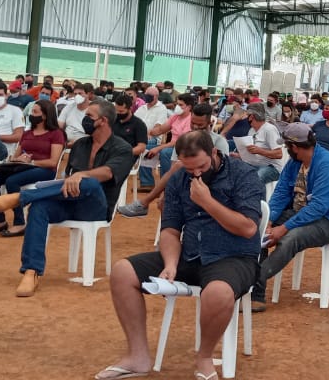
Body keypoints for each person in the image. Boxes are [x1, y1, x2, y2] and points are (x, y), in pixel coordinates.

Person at [98, 130, 264, 380]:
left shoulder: (244, 175)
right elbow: (170, 229)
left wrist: (207, 202)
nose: (196, 173)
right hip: (190, 254)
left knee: (218, 292)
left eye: (201, 166)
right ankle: (138, 356)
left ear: (214, 153)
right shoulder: (178, 179)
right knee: (122, 272)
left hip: (234, 255)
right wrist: (171, 264)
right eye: (189, 169)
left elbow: (248, 228)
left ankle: (204, 357)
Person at [0, 99, 137, 297]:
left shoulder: (122, 148)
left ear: (103, 121)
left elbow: (108, 173)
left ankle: (22, 196)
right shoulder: (80, 145)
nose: (84, 120)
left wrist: (81, 176)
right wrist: (73, 179)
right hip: (69, 200)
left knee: (89, 181)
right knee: (39, 207)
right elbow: (67, 179)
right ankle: (31, 272)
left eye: (89, 117)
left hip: (96, 208)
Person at [252, 122, 329, 311]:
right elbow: (281, 193)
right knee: (257, 227)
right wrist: (269, 219)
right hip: (300, 212)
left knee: (290, 238)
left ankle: (253, 280)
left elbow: (319, 207)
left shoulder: (328, 163)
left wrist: (283, 227)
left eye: (286, 146)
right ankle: (256, 293)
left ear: (294, 147)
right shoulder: (295, 162)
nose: (286, 149)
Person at [0, 99, 65, 236]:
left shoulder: (56, 134)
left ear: (45, 116)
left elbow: (53, 162)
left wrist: (31, 162)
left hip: (44, 170)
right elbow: (15, 156)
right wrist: (16, 159)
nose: (31, 114)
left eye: (35, 112)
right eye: (32, 111)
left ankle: (20, 223)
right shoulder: (27, 133)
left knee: (12, 181)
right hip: (22, 167)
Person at [234, 102, 284, 185]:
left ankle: (257, 198)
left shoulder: (269, 129)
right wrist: (239, 156)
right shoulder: (251, 130)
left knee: (256, 177)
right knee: (236, 172)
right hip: (253, 164)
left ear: (252, 116)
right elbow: (251, 154)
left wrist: (259, 151)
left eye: (247, 115)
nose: (246, 118)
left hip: (271, 167)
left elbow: (279, 154)